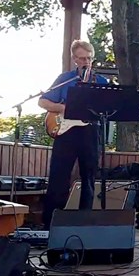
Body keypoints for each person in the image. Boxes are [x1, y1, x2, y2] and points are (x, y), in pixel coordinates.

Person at [38, 40, 108, 229]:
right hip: (66, 131)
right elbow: (43, 102)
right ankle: (50, 223)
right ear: (74, 59)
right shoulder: (65, 79)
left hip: (90, 131)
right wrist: (64, 108)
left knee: (89, 177)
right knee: (58, 175)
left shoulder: (101, 82)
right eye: (82, 58)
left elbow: (106, 109)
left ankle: (83, 223)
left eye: (89, 58)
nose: (86, 61)